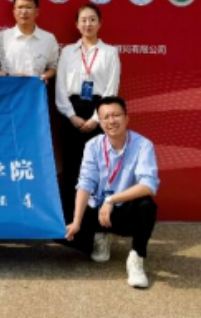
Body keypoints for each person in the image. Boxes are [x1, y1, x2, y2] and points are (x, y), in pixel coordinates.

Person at [64, 96, 159, 289]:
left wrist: (111, 200)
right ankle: (100, 236)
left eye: (116, 115)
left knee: (146, 205)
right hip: (97, 210)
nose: (111, 121)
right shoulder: (93, 145)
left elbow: (148, 185)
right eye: (105, 117)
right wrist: (76, 221)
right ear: (100, 122)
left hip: (124, 211)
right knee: (62, 214)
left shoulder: (143, 145)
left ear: (126, 118)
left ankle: (136, 257)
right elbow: (85, 183)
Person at [55, 3, 121, 221]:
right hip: (71, 112)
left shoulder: (110, 52)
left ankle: (96, 222)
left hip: (100, 112)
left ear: (100, 23)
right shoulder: (67, 52)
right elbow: (60, 88)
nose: (88, 24)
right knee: (72, 167)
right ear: (77, 24)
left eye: (92, 19)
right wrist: (71, 115)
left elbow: (111, 89)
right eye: (83, 20)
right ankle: (71, 220)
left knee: (98, 167)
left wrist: (96, 119)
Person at [0, 0, 59, 82]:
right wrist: (9, 76)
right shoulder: (1, 38)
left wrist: (44, 76)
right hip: (9, 89)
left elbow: (53, 67)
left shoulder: (48, 39)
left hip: (35, 89)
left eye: (28, 7)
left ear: (37, 12)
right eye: (20, 7)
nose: (24, 12)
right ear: (14, 12)